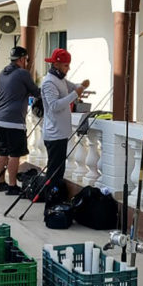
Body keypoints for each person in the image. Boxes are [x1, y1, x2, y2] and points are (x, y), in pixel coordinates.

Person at [41, 48, 89, 201]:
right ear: (56, 64)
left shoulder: (60, 79)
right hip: (54, 133)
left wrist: (80, 87)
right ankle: (51, 198)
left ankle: (55, 196)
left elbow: (70, 86)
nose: (68, 69)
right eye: (65, 66)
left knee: (59, 169)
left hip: (61, 132)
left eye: (68, 65)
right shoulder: (49, 82)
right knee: (54, 171)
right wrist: (76, 93)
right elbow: (54, 105)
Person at [0, 46, 41, 195]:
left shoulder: (2, 73)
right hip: (13, 120)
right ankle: (12, 186)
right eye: (26, 59)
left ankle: (2, 183)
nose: (26, 62)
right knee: (14, 154)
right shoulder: (23, 73)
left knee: (2, 153)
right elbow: (37, 92)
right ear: (21, 59)